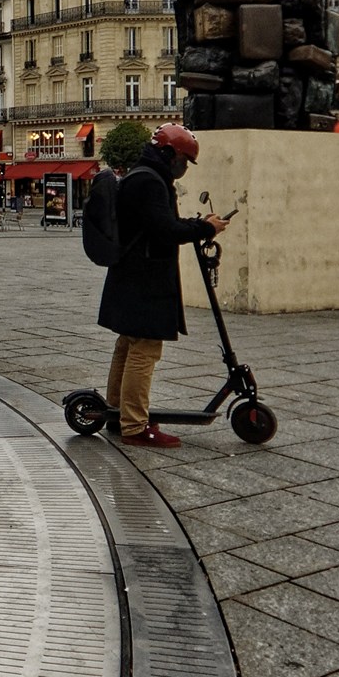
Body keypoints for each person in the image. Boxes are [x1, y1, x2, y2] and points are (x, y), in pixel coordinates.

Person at [99, 123, 231, 448]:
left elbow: (159, 223)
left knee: (128, 345)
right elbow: (164, 230)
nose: (184, 167)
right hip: (146, 280)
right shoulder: (149, 180)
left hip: (131, 275)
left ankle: (117, 414)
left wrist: (200, 225)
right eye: (184, 160)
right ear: (170, 153)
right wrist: (204, 228)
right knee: (144, 350)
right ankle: (134, 426)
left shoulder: (142, 175)